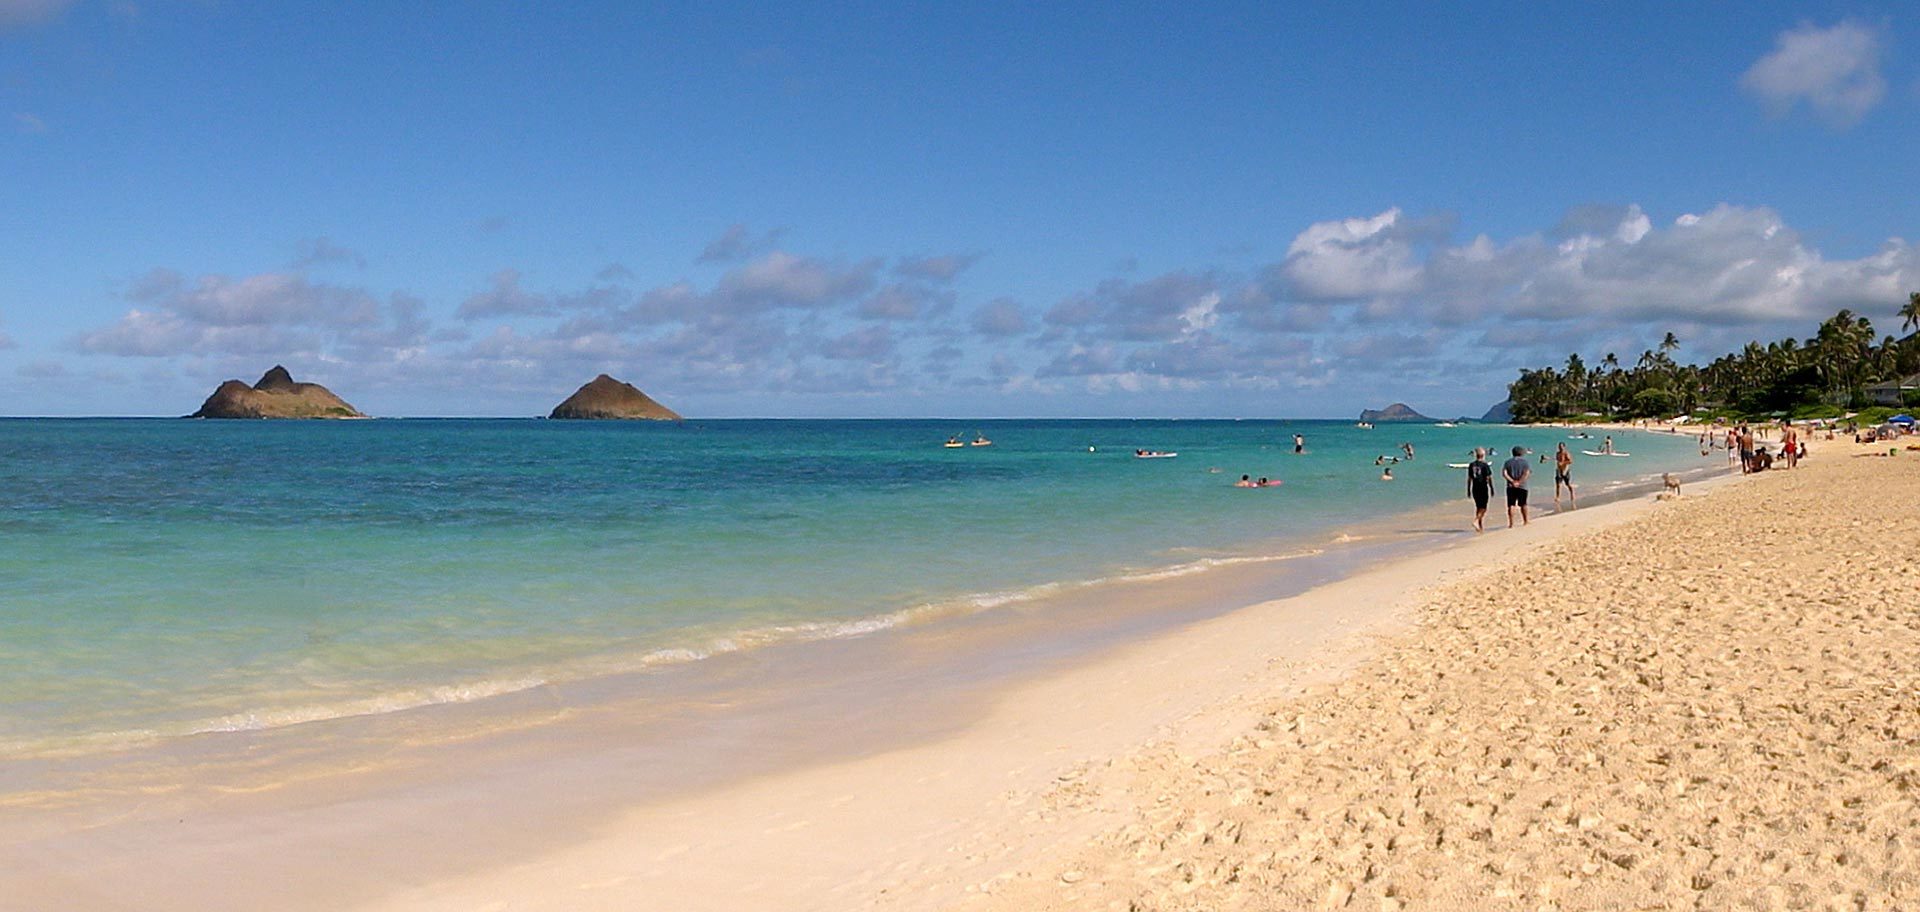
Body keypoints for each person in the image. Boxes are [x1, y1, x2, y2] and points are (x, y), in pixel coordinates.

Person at [1502, 445, 1531, 527]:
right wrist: (1519, 482)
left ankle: (1511, 523)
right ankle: (1525, 521)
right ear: (1521, 453)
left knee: (1511, 505)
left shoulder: (1507, 462)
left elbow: (1504, 473)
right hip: (1522, 486)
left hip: (1511, 486)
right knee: (1523, 504)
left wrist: (1512, 481)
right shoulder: (1525, 462)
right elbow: (1526, 473)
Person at [1465, 447, 1493, 532]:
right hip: (1483, 487)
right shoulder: (1485, 465)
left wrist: (1468, 490)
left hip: (1475, 487)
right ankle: (1477, 520)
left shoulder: (1471, 465)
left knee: (1478, 507)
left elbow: (1469, 478)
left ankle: (1480, 527)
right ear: (1483, 455)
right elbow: (1489, 477)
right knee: (1483, 508)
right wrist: (1491, 488)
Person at [1554, 443, 1575, 510]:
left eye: (1561, 447)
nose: (1560, 448)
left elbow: (1570, 461)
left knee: (1568, 484)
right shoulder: (1557, 453)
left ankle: (1572, 494)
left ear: (1564, 447)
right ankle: (1558, 497)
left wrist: (1563, 463)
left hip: (1565, 470)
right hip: (1559, 470)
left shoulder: (1566, 453)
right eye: (1559, 447)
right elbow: (1557, 461)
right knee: (1558, 484)